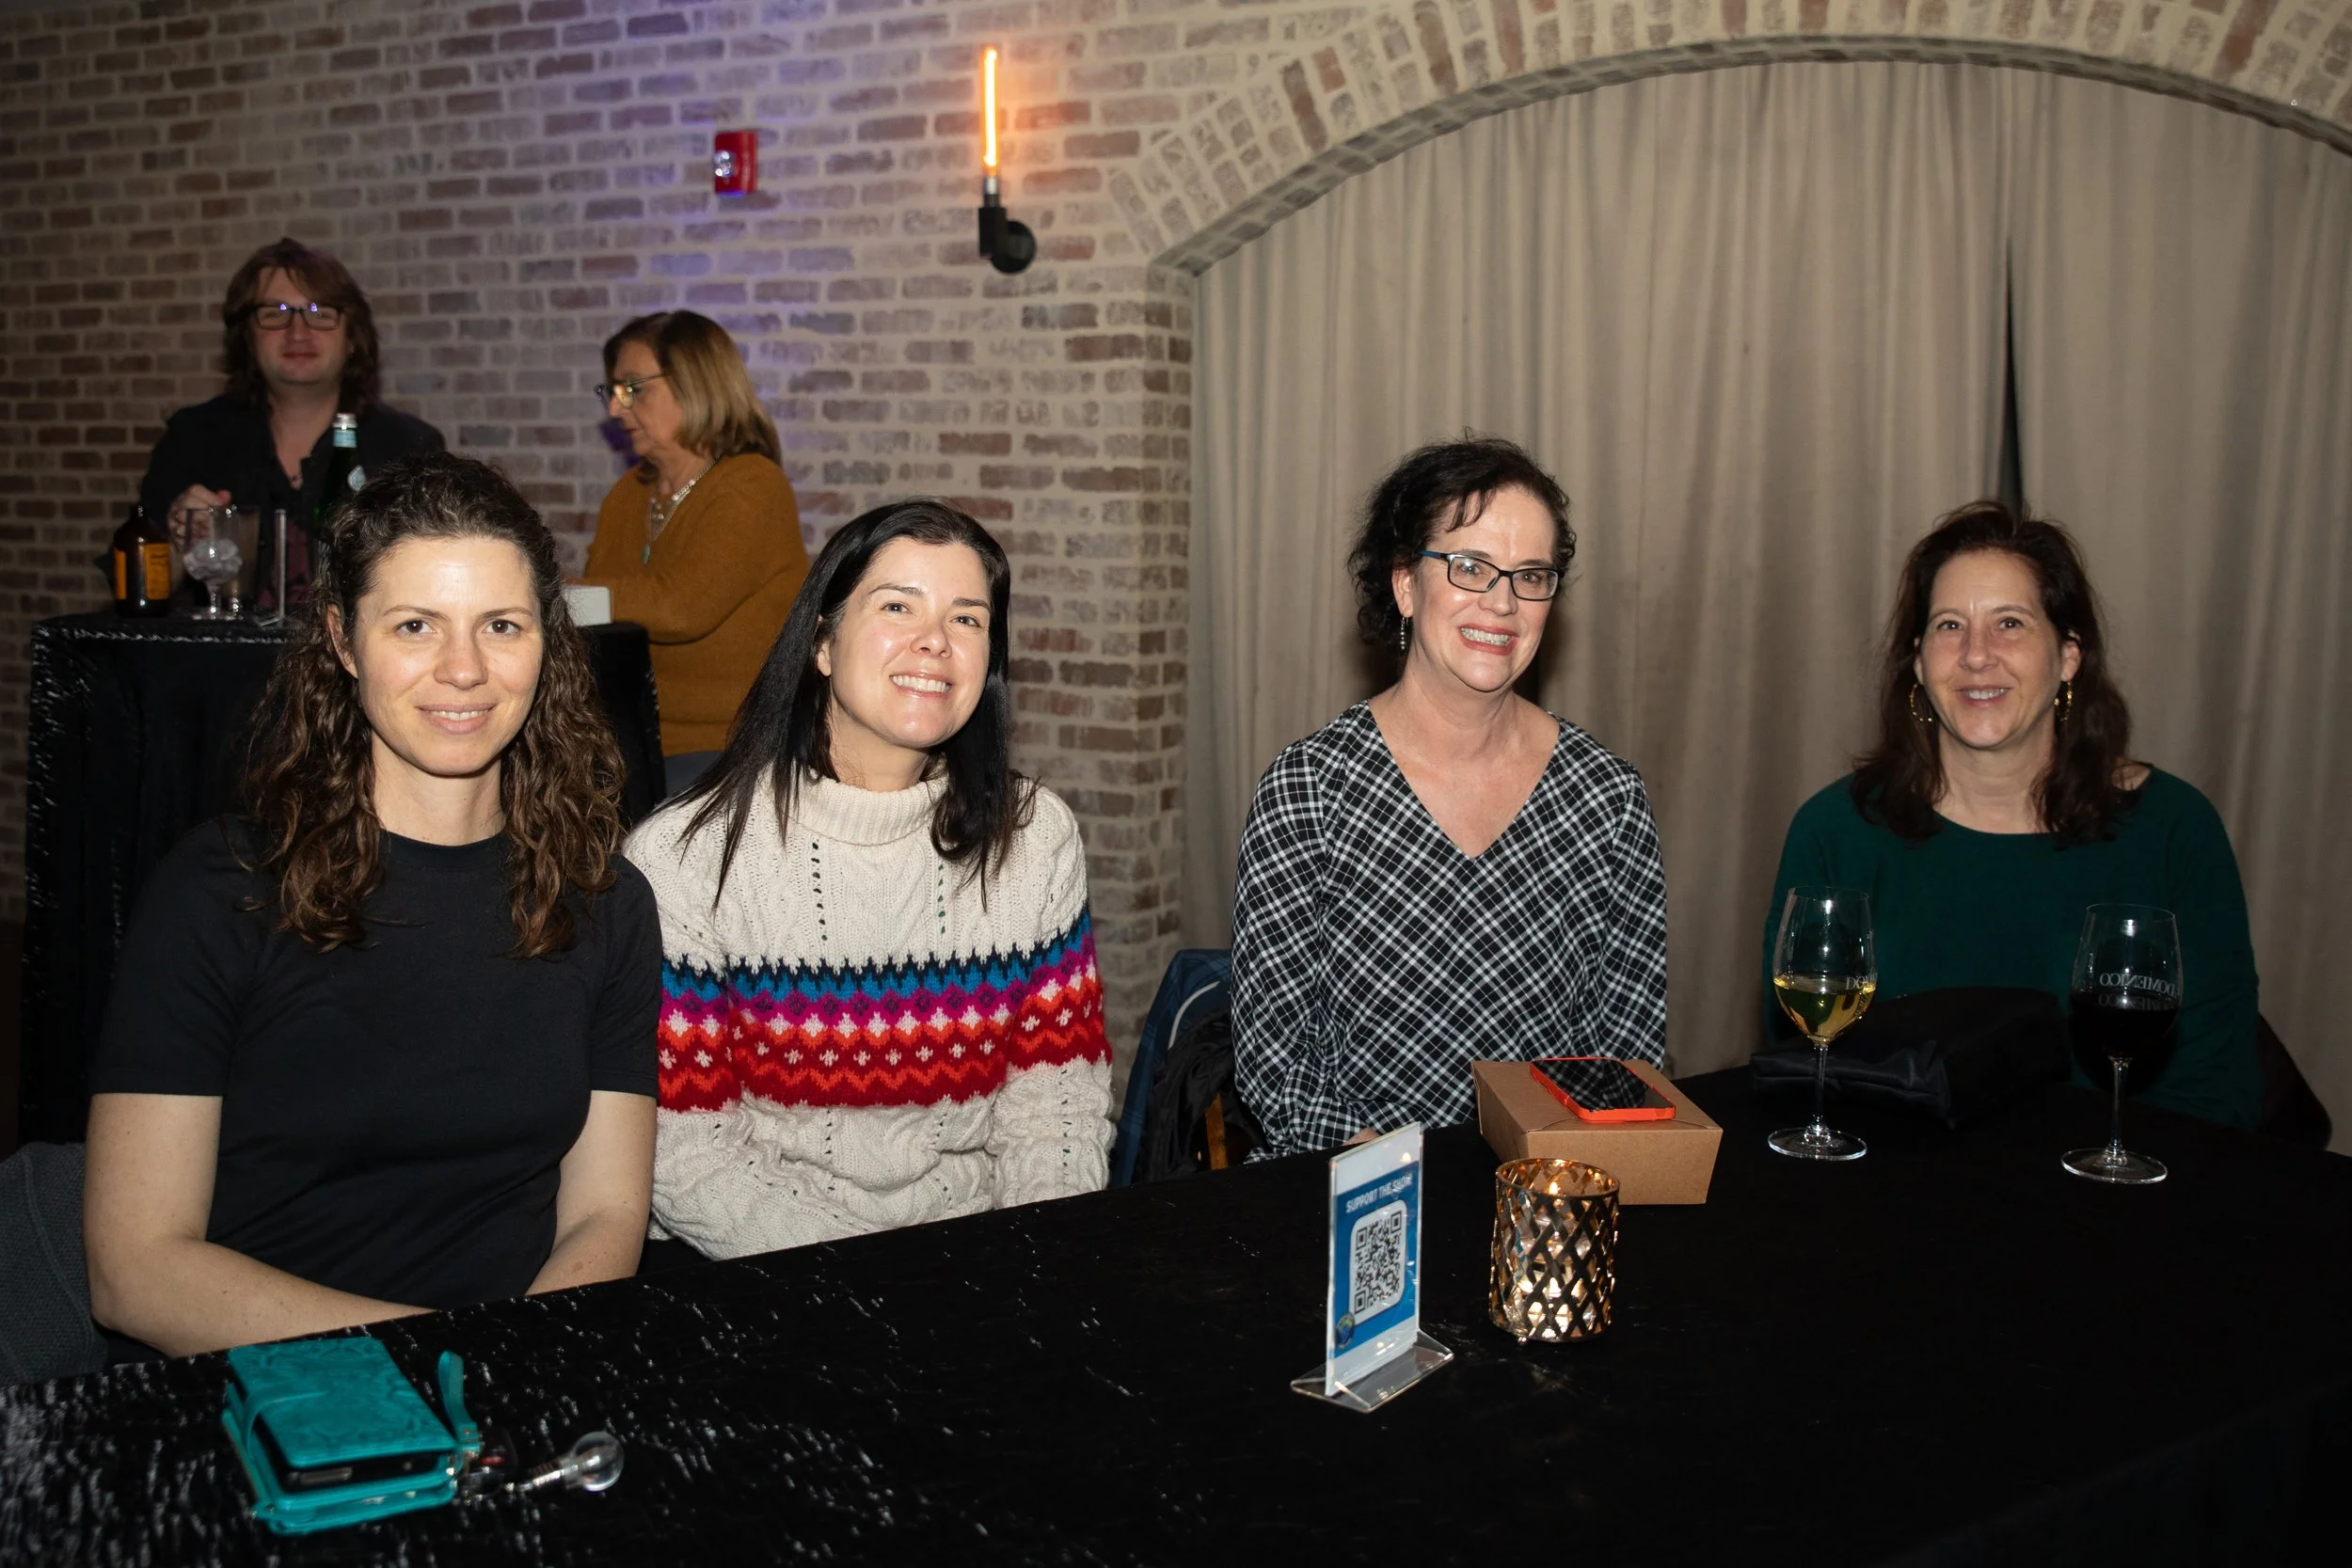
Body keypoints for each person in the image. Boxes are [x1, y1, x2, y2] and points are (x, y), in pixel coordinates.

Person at [84, 452, 661, 1358]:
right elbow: (135, 1267)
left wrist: (521, 1368)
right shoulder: (220, 890)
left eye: (501, 625)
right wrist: (439, 1360)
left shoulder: (606, 900)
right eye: (415, 625)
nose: (464, 669)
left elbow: (606, 1210)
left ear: (547, 644)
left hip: (519, 1380)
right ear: (345, 642)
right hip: (268, 1385)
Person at [627, 499, 1113, 1260]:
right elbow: (688, 1155)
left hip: (980, 1263)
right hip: (756, 1268)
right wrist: (883, 1287)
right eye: (897, 606)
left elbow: (1055, 1108)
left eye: (967, 619)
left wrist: (1032, 1266)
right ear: (822, 641)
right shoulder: (684, 857)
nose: (934, 643)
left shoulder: (1034, 836)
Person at [1231, 437, 1670, 1159]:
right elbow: (1275, 1068)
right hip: (1347, 1198)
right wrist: (1392, 1171)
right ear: (1405, 583)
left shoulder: (1607, 800)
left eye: (1531, 576)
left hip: (1540, 1202)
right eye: (1470, 567)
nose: (1502, 602)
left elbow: (1625, 1060)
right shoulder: (1309, 788)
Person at [1765, 500, 2260, 1129]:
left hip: (2107, 1206)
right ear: (1918, 662)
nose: (1976, 655)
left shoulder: (2171, 831)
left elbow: (2216, 1092)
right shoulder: (1836, 831)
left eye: (2010, 623)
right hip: (1889, 1201)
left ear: (2069, 655)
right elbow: (1804, 1078)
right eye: (1949, 626)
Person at [576, 310, 809, 796]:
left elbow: (678, 607)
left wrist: (551, 593)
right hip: (628, 742)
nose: (616, 411)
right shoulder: (627, 495)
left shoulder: (752, 484)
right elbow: (601, 624)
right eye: (613, 392)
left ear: (695, 383)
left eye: (632, 389)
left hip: (731, 748)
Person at [139, 235, 445, 604]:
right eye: (274, 313)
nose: (298, 332)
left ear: (352, 337)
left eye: (320, 313)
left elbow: (432, 594)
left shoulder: (408, 447)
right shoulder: (193, 437)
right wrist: (177, 545)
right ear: (247, 339)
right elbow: (138, 597)